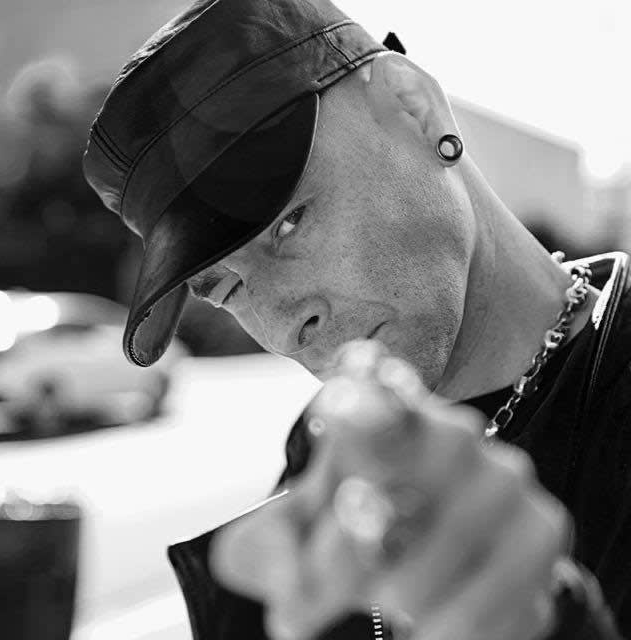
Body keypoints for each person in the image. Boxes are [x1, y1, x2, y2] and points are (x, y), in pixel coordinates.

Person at [83, 0, 630, 638]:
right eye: (226, 288)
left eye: (290, 222)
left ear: (412, 108)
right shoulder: (317, 458)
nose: (283, 325)